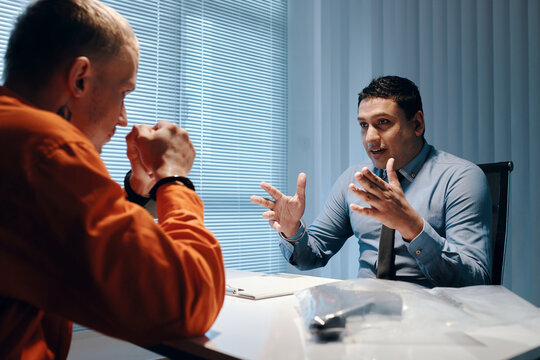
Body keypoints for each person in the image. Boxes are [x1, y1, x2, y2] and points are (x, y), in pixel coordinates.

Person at [0, 0, 225, 359]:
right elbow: (187, 300)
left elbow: (80, 259)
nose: (123, 119)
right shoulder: (42, 148)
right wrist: (175, 178)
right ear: (80, 78)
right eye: (123, 93)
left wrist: (136, 195)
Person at [251, 75, 491, 288]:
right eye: (364, 125)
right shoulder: (354, 179)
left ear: (417, 124)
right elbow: (310, 257)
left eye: (383, 123)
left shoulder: (461, 178)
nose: (370, 138)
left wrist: (411, 226)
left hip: (431, 323)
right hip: (363, 314)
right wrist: (293, 231)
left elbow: (475, 281)